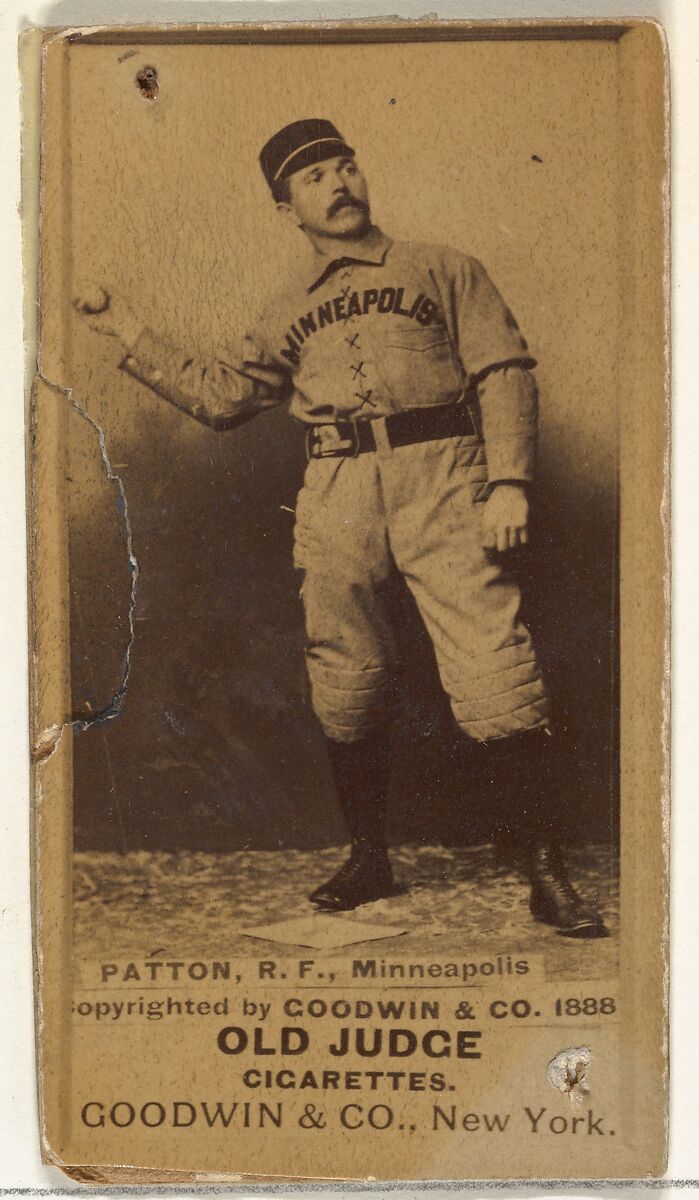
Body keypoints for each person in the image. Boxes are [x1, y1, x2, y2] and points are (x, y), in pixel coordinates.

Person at [75, 118, 607, 938]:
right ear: (285, 207)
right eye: (315, 176)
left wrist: (508, 483)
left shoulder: (441, 268)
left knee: (493, 664)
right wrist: (126, 328)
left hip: (444, 472)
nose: (338, 182)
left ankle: (543, 871)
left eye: (345, 165)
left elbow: (502, 371)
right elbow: (222, 398)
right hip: (336, 487)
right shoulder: (285, 307)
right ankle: (369, 859)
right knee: (345, 668)